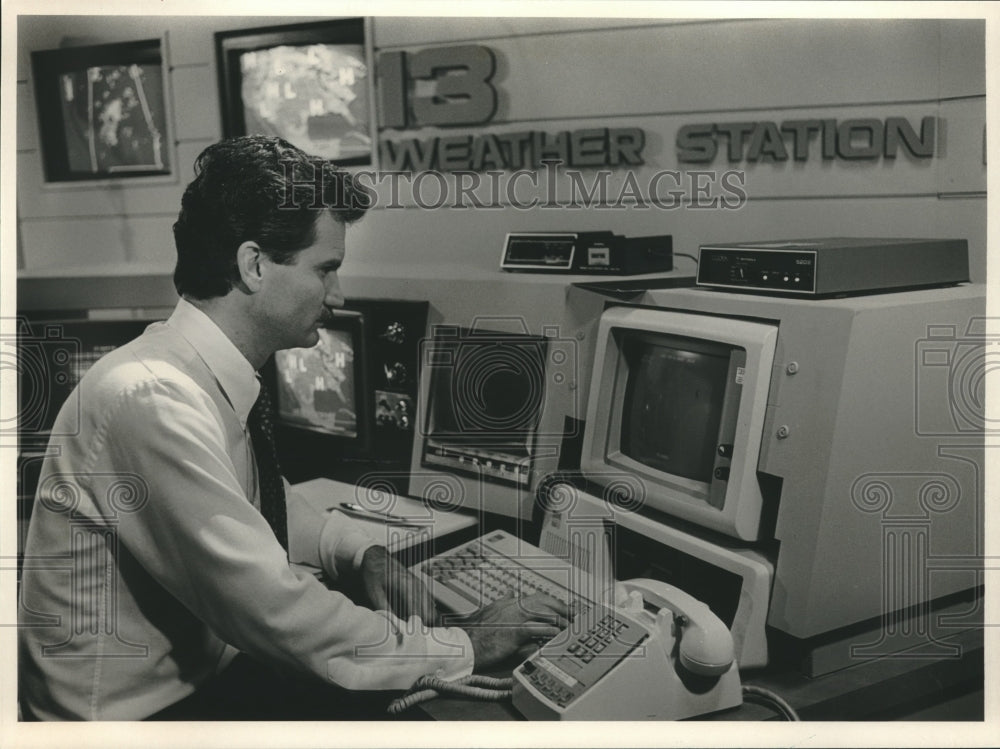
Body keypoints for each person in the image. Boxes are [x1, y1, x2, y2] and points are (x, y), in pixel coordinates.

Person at [18, 136, 568, 721]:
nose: (339, 293)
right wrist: (464, 646)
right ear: (255, 265)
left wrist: (359, 552)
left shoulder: (190, 373)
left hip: (199, 675)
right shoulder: (152, 399)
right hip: (135, 717)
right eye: (326, 269)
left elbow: (255, 498)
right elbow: (270, 608)